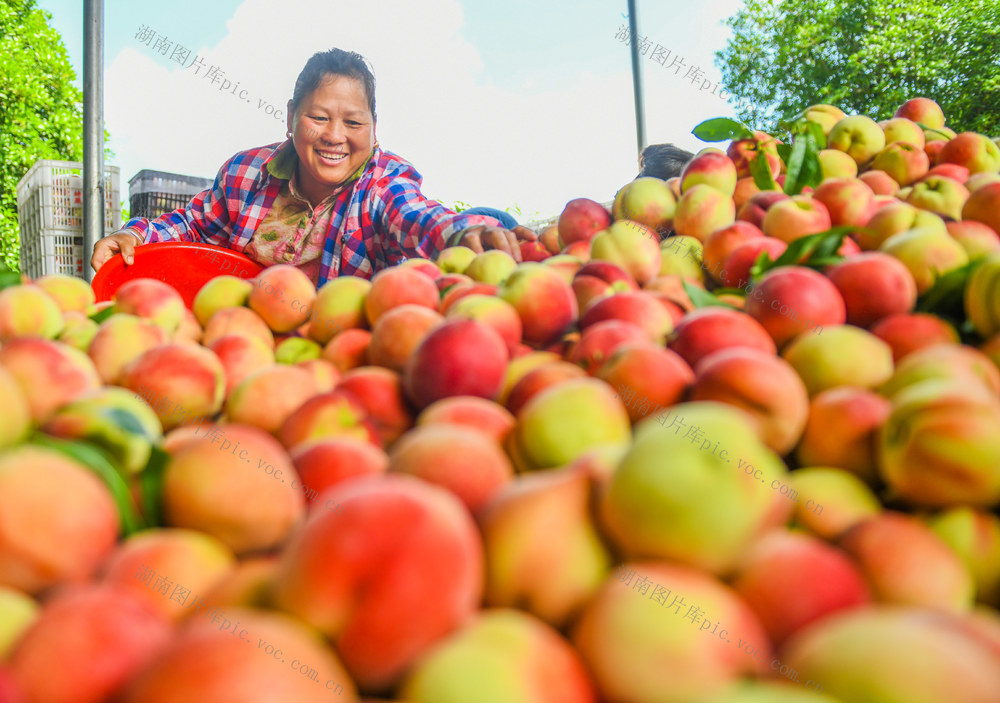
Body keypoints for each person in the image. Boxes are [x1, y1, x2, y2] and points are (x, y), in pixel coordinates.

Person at [91, 49, 536, 284]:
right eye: (318, 117)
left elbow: (415, 215)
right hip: (249, 338)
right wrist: (134, 235)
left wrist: (462, 234)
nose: (334, 136)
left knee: (492, 223)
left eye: (354, 122)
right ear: (290, 118)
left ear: (375, 130)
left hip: (336, 351)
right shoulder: (247, 173)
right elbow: (193, 223)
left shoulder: (383, 183)